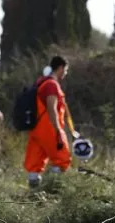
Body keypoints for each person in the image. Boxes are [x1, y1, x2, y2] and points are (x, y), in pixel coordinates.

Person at [24, 56, 72, 188]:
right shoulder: (51, 85)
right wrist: (58, 131)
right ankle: (54, 190)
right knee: (61, 160)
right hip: (49, 128)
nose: (65, 73)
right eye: (65, 70)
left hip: (36, 129)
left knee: (35, 163)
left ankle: (35, 194)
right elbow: (52, 108)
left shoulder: (40, 82)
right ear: (60, 68)